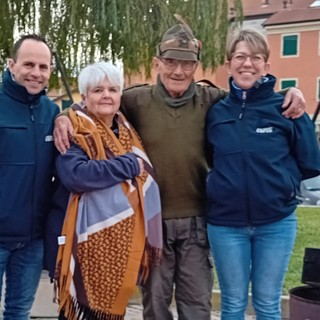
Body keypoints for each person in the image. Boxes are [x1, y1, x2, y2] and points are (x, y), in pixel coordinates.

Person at [53, 21, 307, 320]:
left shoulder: (212, 100)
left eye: (187, 64)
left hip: (198, 223)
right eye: (171, 61)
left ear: (196, 66)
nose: (178, 71)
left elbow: (251, 100)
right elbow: (97, 106)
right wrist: (65, 116)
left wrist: (293, 94)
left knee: (197, 307)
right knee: (156, 307)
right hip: (153, 224)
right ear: (156, 63)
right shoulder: (136, 100)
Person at [205, 28, 320, 320]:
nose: (248, 64)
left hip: (276, 224)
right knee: (232, 304)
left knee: (268, 304)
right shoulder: (216, 112)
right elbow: (207, 157)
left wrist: (283, 184)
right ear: (228, 63)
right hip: (225, 225)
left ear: (266, 66)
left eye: (256, 58)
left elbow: (310, 161)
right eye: (241, 56)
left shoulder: (286, 108)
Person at [50, 61, 162, 320]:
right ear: (85, 96)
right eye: (98, 90)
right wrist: (128, 164)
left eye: (113, 89)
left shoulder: (126, 129)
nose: (106, 96)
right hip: (86, 241)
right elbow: (76, 176)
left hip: (122, 243)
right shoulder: (74, 129)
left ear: (120, 96)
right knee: (81, 313)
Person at [0, 34, 59, 319]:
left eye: (43, 67)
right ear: (11, 65)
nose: (36, 73)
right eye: (29, 64)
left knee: (19, 311)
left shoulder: (52, 112)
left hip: (32, 240)